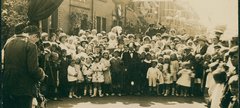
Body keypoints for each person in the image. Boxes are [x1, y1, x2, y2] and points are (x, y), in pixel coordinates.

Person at [3, 25, 45, 108]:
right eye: (36, 40)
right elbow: (33, 69)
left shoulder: (8, 42)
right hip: (24, 87)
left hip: (8, 85)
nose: (36, 42)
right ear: (34, 36)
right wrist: (42, 74)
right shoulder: (31, 45)